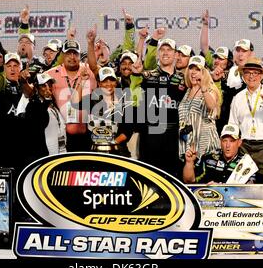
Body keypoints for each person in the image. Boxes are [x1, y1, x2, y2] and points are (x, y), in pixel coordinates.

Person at [130, 37, 186, 178]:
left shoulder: (185, 79)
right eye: (162, 49)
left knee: (173, 179)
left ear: (175, 54)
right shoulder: (147, 76)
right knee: (149, 177)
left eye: (169, 50)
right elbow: (134, 97)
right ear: (157, 54)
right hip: (151, 136)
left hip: (174, 137)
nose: (165, 53)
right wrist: (136, 75)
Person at [46, 26, 100, 151]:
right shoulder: (51, 74)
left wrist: (91, 43)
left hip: (88, 134)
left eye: (75, 53)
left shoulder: (88, 71)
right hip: (61, 135)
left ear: (79, 55)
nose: (72, 56)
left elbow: (95, 67)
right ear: (63, 55)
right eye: (68, 53)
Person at [72, 66, 133, 157]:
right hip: (94, 153)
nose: (109, 84)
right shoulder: (92, 99)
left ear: (116, 82)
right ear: (99, 84)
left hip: (117, 152)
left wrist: (110, 144)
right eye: (105, 81)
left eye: (111, 80)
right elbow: (75, 103)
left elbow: (127, 131)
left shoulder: (124, 102)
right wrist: (82, 81)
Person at [178, 55, 220, 160]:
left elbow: (211, 106)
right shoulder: (187, 91)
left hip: (205, 146)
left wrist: (204, 89)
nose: (193, 72)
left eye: (197, 69)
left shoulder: (210, 90)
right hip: (187, 144)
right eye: (191, 68)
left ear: (204, 72)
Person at [183, 124, 256, 184]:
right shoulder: (208, 158)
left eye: (232, 141)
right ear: (220, 142)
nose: (227, 145)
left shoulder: (247, 163)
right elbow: (189, 181)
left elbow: (249, 190)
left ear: (239, 143)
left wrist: (220, 188)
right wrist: (189, 162)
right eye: (224, 141)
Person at [23, 72, 66, 161]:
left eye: (50, 84)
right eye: (43, 85)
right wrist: (46, 101)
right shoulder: (32, 105)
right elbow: (39, 123)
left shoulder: (53, 104)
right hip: (44, 156)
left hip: (60, 151)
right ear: (36, 88)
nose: (48, 88)